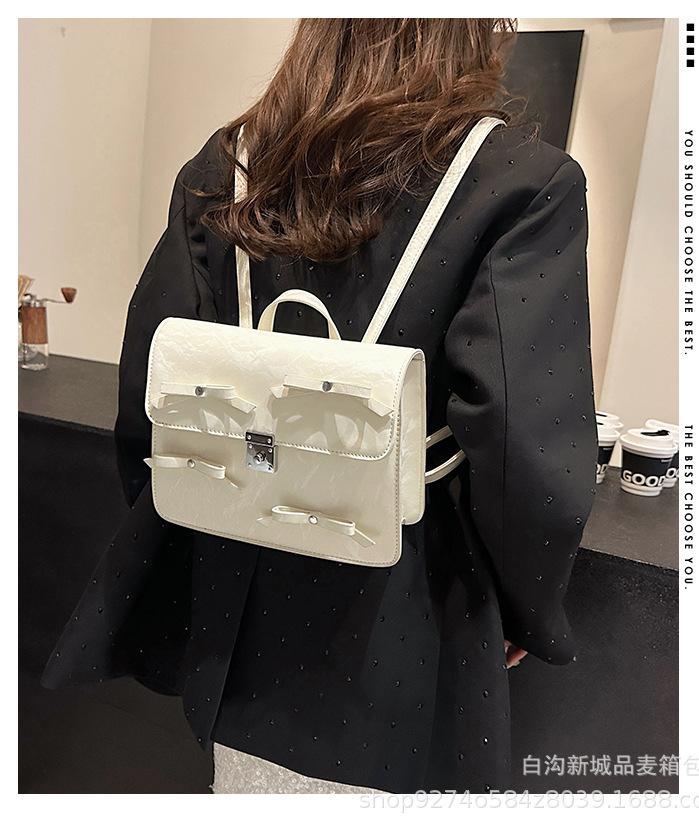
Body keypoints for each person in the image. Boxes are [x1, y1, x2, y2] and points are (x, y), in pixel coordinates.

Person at [43, 18, 597, 794]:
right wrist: (526, 606)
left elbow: (151, 395)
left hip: (236, 620)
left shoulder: (228, 164)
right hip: (399, 636)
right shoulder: (522, 181)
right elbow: (524, 449)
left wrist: (203, 521)